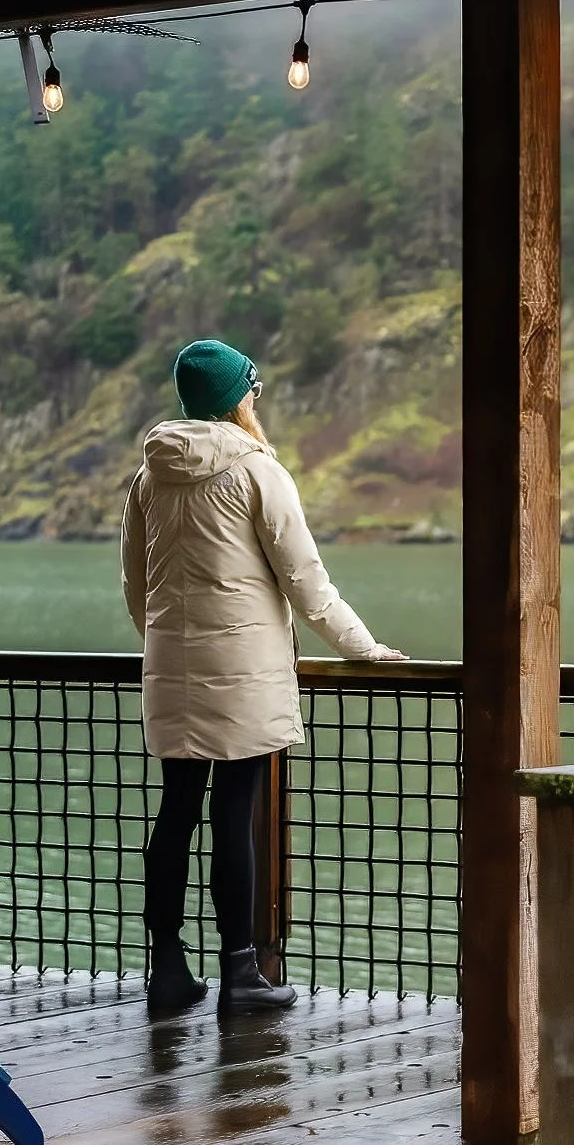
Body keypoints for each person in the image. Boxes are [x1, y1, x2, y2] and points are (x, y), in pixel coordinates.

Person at [121, 338, 403, 1015]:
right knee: (233, 818)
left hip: (172, 667)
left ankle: (167, 970)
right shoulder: (258, 474)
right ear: (235, 398)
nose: (256, 398)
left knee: (175, 814)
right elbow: (306, 583)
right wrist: (363, 646)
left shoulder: (148, 476)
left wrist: (168, 644)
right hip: (244, 675)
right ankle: (240, 973)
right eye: (252, 388)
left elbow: (137, 583)